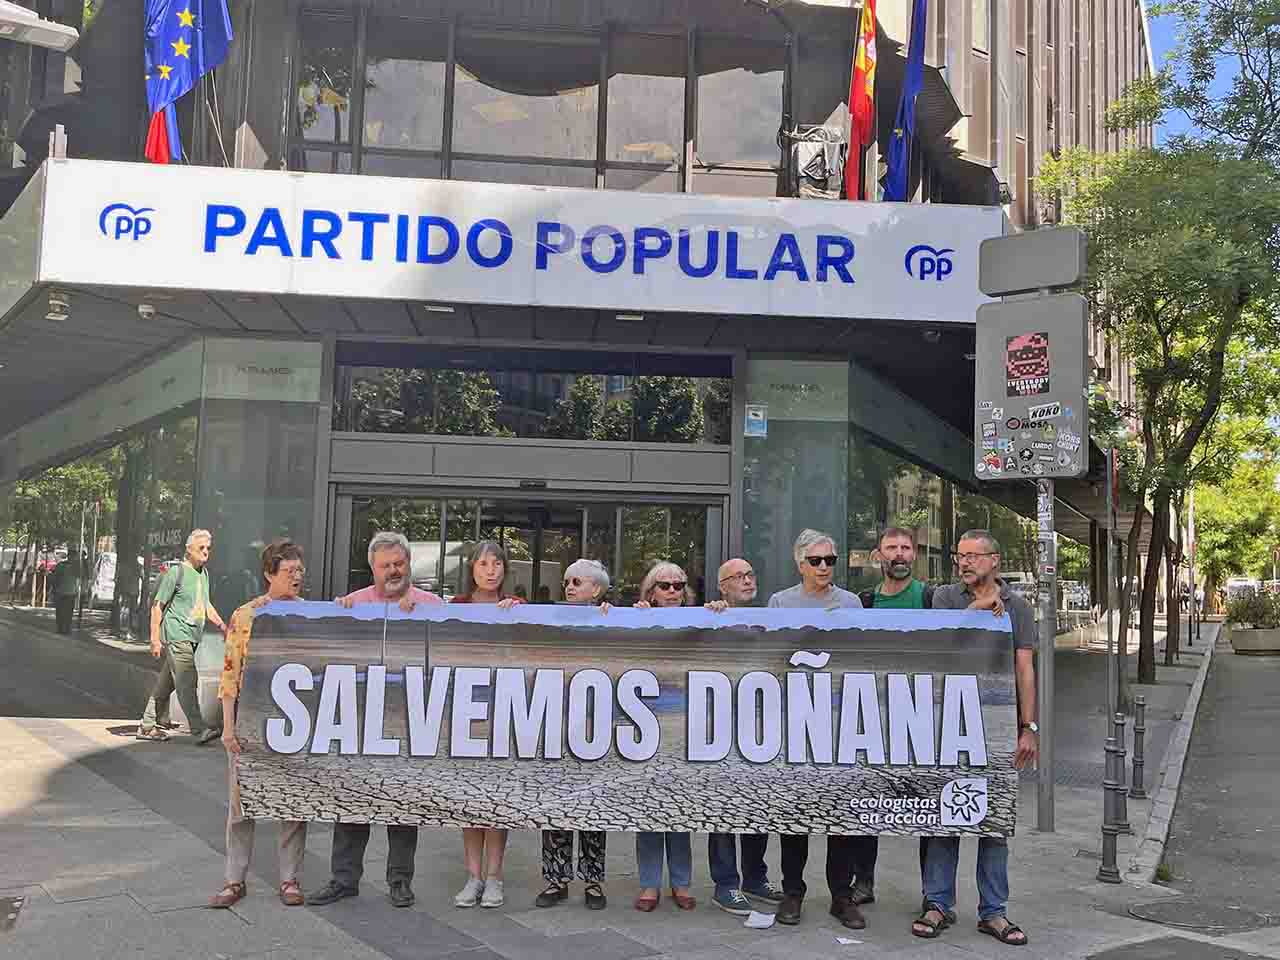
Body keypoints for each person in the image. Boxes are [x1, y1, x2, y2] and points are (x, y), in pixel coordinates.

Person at [912, 529, 1037, 947]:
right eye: (959, 556)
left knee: (993, 821)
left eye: (973, 556)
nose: (964, 563)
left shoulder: (1019, 607)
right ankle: (937, 903)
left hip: (997, 725)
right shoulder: (945, 597)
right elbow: (940, 647)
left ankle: (994, 912)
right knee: (944, 817)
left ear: (994, 560)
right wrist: (981, 608)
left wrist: (1028, 727)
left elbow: (1024, 668)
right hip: (949, 721)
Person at [307, 531, 442, 910]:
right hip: (358, 721)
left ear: (409, 564)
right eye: (386, 566)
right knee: (351, 803)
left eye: (399, 563)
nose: (394, 571)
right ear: (373, 569)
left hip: (409, 721)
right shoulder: (352, 605)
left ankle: (400, 880)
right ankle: (343, 879)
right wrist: (336, 616)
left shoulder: (433, 605)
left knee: (402, 804)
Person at [766, 529, 865, 930]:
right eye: (816, 561)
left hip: (839, 719)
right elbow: (770, 653)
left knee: (839, 814)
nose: (824, 567)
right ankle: (793, 892)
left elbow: (862, 652)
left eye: (830, 560)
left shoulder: (852, 602)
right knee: (796, 813)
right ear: (800, 563)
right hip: (795, 719)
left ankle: (842, 896)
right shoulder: (780, 602)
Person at [209, 538, 310, 909]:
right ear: (269, 574)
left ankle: (290, 878)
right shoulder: (246, 615)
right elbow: (230, 674)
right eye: (289, 571)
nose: (297, 577)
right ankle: (234, 880)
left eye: (300, 570)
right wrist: (228, 726)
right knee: (240, 805)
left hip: (296, 721)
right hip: (252, 719)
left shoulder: (310, 614)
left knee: (294, 804)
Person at [854, 528, 934, 911]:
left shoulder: (932, 598)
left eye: (905, 548)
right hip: (874, 719)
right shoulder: (863, 602)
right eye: (891, 548)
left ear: (914, 555)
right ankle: (862, 882)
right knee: (868, 805)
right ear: (878, 555)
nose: (899, 555)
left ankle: (931, 892)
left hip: (921, 719)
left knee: (927, 810)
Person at [702, 558, 783, 915]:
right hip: (720, 727)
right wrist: (712, 617)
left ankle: (755, 876)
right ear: (722, 587)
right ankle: (725, 883)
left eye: (751, 574)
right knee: (723, 806)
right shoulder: (712, 617)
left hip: (760, 727)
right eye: (738, 577)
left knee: (757, 805)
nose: (747, 580)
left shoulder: (771, 617)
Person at [536, 558, 611, 911]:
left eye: (577, 581)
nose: (569, 586)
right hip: (557, 725)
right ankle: (555, 880)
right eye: (567, 581)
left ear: (596, 590)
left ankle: (593, 882)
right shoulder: (550, 619)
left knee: (594, 807)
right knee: (557, 806)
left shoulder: (612, 618)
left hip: (595, 728)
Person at [450, 541, 522, 908]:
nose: (490, 570)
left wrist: (515, 619)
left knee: (497, 799)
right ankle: (473, 876)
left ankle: (495, 877)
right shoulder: (455, 608)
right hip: (466, 711)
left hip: (504, 712)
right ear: (472, 569)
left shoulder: (517, 608)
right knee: (469, 799)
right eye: (483, 564)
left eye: (497, 563)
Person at [632, 560, 697, 912]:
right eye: (664, 586)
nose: (672, 591)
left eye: (678, 585)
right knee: (648, 807)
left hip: (684, 725)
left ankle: (682, 882)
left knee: (679, 808)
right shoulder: (638, 619)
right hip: (647, 722)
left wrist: (720, 611)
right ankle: (649, 884)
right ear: (651, 592)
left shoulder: (701, 617)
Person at [136, 530, 226, 744]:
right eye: (201, 547)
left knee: (166, 685)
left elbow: (205, 605)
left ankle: (146, 727)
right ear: (189, 549)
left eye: (208, 548)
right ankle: (199, 729)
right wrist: (155, 639)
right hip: (177, 635)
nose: (206, 552)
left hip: (192, 637)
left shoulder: (203, 574)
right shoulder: (176, 573)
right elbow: (157, 607)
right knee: (187, 680)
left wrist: (223, 625)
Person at [51, 555, 78, 635]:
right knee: (69, 612)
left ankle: (60, 628)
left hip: (61, 592)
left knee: (60, 612)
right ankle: (67, 628)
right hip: (71, 593)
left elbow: (55, 579)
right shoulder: (76, 568)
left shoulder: (60, 566)